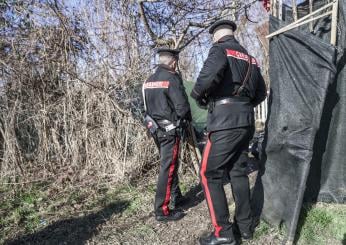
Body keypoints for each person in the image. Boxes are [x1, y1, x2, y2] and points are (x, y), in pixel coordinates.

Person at [191, 20, 267, 245]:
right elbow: (261, 93)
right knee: (238, 172)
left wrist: (198, 96)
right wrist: (242, 103)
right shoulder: (250, 58)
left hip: (224, 123)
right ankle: (245, 228)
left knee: (209, 174)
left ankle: (223, 233)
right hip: (246, 121)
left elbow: (204, 80)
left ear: (216, 35)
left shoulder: (219, 49)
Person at [142, 48, 192, 222]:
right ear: (173, 62)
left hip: (155, 130)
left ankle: (176, 197)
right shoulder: (171, 78)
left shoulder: (148, 80)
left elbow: (145, 107)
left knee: (170, 164)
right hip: (170, 130)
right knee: (168, 168)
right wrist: (186, 122)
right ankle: (161, 210)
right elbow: (183, 107)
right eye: (176, 62)